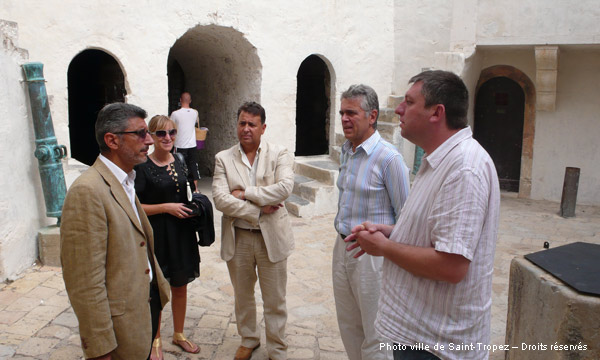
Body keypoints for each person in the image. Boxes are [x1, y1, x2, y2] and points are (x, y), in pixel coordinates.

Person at [347, 70, 500, 360]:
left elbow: (451, 266)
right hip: (421, 334)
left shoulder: (464, 168)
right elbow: (436, 235)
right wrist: (391, 231)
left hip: (437, 344)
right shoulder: (440, 159)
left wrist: (384, 247)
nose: (399, 110)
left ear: (436, 112)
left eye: (409, 102)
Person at [60, 103, 170, 360]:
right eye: (140, 134)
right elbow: (85, 282)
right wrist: (101, 349)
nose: (150, 141)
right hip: (120, 328)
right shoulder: (88, 191)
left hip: (142, 312)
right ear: (112, 140)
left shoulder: (126, 180)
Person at [212, 101, 294, 360]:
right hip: (239, 238)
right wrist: (257, 209)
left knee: (275, 299)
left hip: (273, 238)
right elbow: (220, 198)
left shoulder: (279, 153)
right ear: (237, 125)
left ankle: (277, 349)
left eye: (252, 124)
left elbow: (284, 188)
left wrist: (245, 193)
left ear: (263, 127)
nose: (246, 129)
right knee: (243, 296)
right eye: (242, 123)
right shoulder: (223, 158)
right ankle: (249, 339)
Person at [333, 84, 410, 360]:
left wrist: (383, 241)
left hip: (373, 257)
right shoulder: (346, 151)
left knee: (376, 334)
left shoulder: (389, 159)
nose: (344, 118)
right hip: (342, 248)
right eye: (342, 112)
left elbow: (407, 220)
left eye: (351, 112)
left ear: (372, 116)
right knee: (349, 326)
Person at [134, 115, 201, 359]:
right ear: (150, 136)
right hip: (158, 234)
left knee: (180, 285)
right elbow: (136, 206)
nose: (168, 137)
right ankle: (156, 339)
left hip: (181, 233)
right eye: (161, 133)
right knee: (157, 289)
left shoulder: (181, 159)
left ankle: (179, 334)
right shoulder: (142, 166)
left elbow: (187, 193)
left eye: (172, 132)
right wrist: (165, 207)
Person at [170, 92, 201, 189]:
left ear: (180, 100)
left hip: (179, 144)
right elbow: (196, 123)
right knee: (193, 166)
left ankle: (181, 187)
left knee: (179, 166)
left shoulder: (175, 114)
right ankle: (195, 189)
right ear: (190, 101)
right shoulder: (195, 113)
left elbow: (171, 126)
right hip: (192, 144)